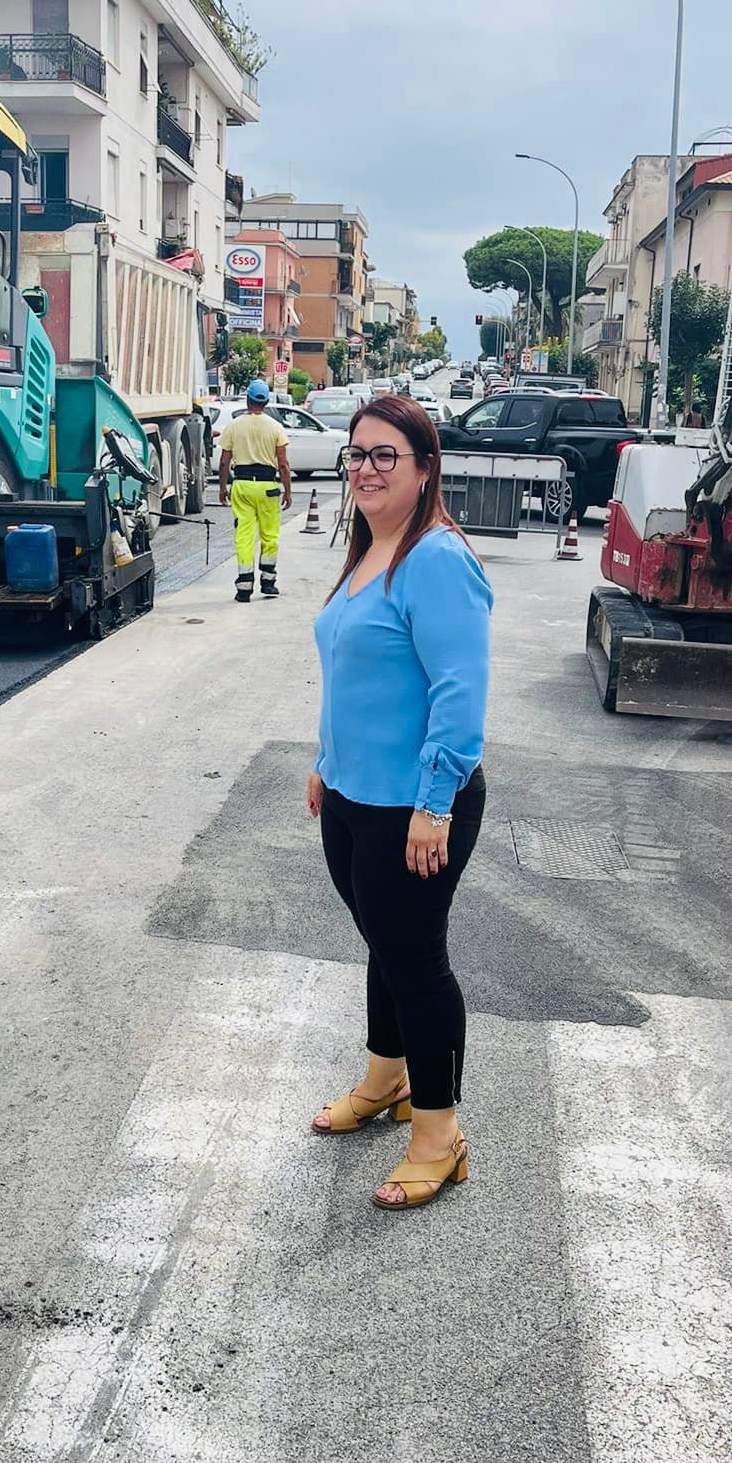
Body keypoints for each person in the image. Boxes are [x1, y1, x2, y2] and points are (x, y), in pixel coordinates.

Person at [307, 394, 492, 1211]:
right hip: (351, 796)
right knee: (383, 940)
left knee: (417, 963)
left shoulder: (436, 559)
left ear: (425, 469)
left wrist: (436, 802)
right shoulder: (368, 549)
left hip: (414, 806)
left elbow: (460, 692)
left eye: (386, 455)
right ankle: (386, 1080)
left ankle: (438, 1134)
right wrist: (323, 760)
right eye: (357, 455)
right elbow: (352, 672)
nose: (366, 470)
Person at [217, 378, 292, 603]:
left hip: (242, 485)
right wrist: (287, 491)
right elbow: (283, 464)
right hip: (268, 487)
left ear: (247, 399)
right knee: (270, 535)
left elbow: (223, 461)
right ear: (266, 401)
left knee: (244, 535)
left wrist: (222, 488)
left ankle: (244, 587)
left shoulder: (234, 426)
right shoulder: (275, 427)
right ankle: (268, 582)